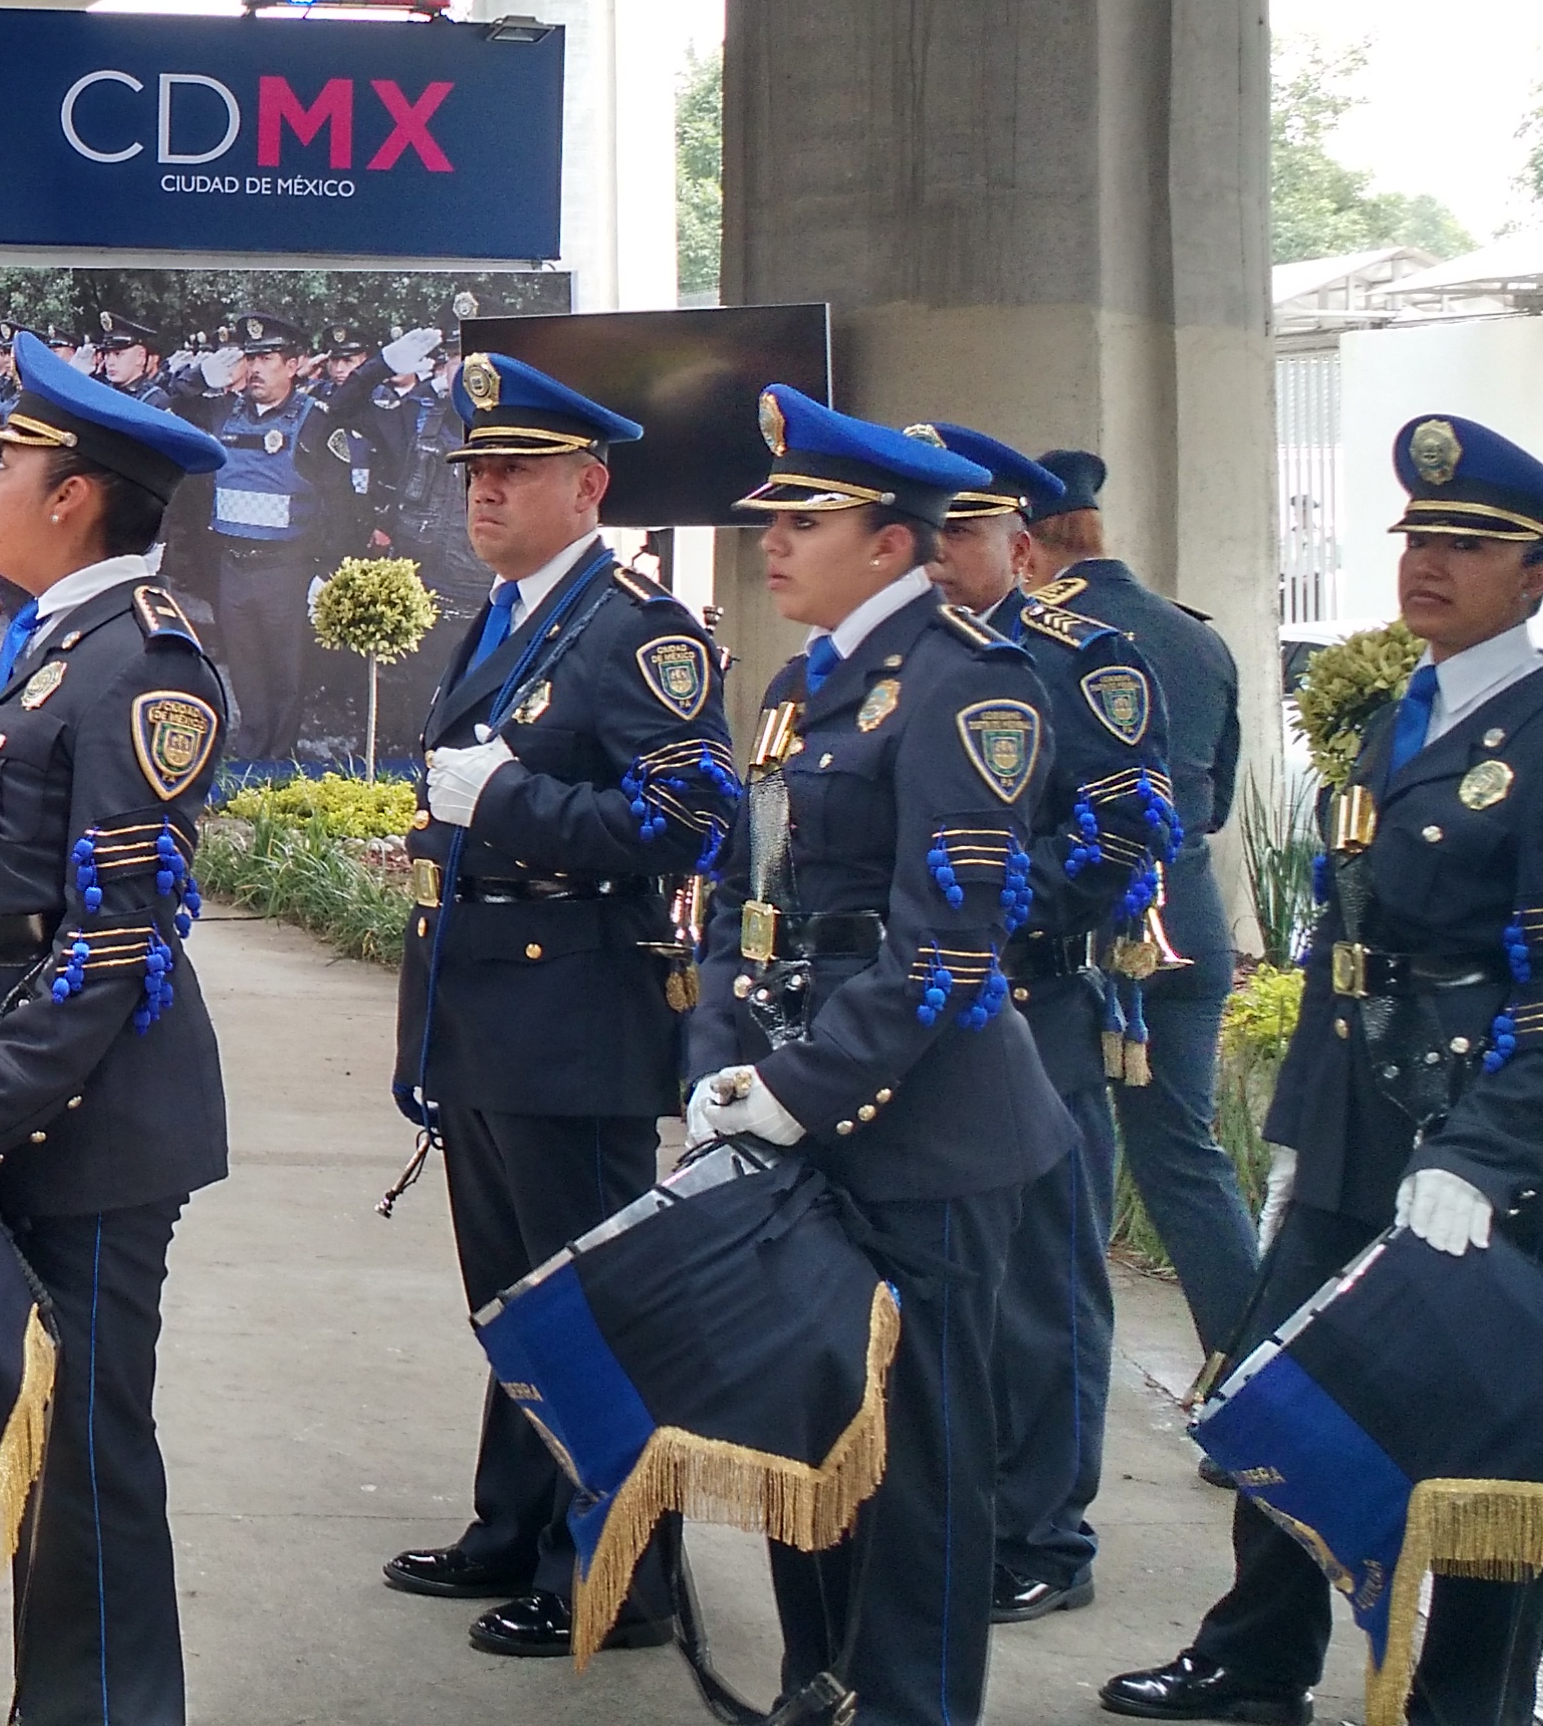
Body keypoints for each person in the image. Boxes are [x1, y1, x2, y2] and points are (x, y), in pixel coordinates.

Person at [1106, 416, 1543, 1726]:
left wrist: (1477, 1162)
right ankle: (1256, 1660)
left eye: (1469, 546)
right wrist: (1304, 1127)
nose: (1431, 565)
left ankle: (1471, 1702)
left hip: (1494, 1156)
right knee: (1286, 1403)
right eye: (1420, 540)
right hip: (1363, 1129)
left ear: (1537, 574)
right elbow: (1345, 943)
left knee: (1483, 1455)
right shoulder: (1405, 717)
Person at [686, 387, 1075, 1726]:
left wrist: (791, 1091)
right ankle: (822, 1682)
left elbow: (946, 954)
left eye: (806, 518)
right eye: (774, 517)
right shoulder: (808, 685)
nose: (774, 542)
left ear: (895, 544)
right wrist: (718, 1056)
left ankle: (913, 1706)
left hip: (925, 1134)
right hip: (810, 1105)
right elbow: (759, 906)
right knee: (814, 1436)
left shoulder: (973, 688)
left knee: (917, 1472)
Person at [0, 332, 229, 1726]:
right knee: (37, 1439)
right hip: (12, 1093)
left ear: (75, 494)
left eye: (8, 466)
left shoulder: (137, 667)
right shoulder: (42, 647)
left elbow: (109, 950)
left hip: (88, 1122)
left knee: (84, 1453)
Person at [381, 354, 728, 1659]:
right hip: (490, 1018)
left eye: (513, 469)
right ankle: (517, 1522)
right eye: (476, 468)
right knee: (511, 1293)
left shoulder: (638, 626)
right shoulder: (512, 612)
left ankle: (627, 1575)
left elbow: (693, 820)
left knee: (591, 1305)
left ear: (589, 484)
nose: (485, 489)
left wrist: (506, 804)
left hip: (577, 1021)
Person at [910, 422, 1181, 1630]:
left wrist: (1009, 903)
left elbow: (1128, 834)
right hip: (917, 1010)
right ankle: (958, 1509)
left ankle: (1042, 1532)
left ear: (1020, 547)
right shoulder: (902, 660)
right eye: (921, 530)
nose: (935, 554)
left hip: (1035, 1000)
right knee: (939, 1288)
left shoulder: (1085, 661)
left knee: (1040, 1290)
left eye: (960, 532)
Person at [1023, 450, 1261, 1362]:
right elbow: (1219, 799)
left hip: (1086, 929)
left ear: (1028, 548)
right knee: (1183, 1160)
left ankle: (1064, 1378)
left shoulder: (1042, 640)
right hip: (1186, 914)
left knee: (1068, 1175)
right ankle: (1244, 1380)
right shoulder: (1196, 635)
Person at [193, 313, 361, 764]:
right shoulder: (224, 413)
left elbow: (345, 507)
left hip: (286, 571)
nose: (256, 368)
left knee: (286, 677)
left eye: (267, 357)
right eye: (251, 358)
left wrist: (328, 572)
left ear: (293, 365)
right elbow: (169, 409)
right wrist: (197, 378)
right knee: (245, 672)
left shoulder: (315, 421)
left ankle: (278, 763)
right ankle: (250, 757)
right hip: (233, 567)